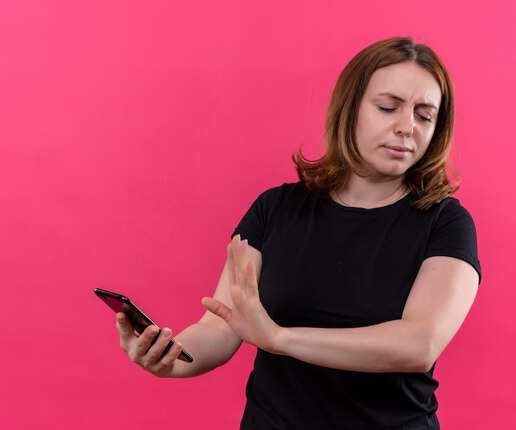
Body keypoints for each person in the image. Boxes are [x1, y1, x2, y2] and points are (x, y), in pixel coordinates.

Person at [115, 36, 481, 429]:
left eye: (425, 116)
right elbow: (222, 326)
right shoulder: (276, 209)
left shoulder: (445, 223)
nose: (407, 127)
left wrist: (278, 338)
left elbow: (418, 345)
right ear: (349, 109)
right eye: (388, 107)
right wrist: (170, 357)